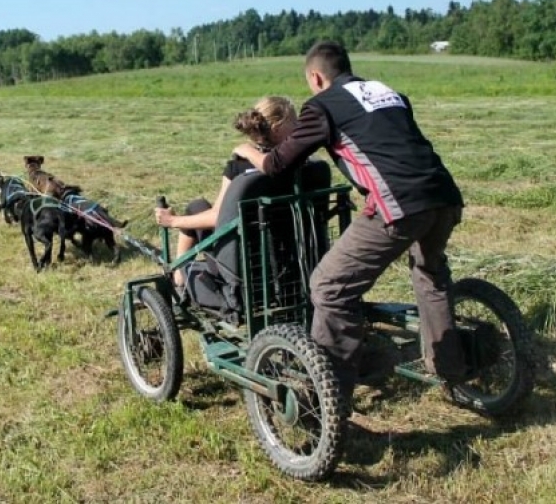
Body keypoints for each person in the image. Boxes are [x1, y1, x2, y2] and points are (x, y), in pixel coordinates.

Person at [233, 41, 467, 402]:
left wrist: (247, 151)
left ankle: (329, 397)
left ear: (315, 76)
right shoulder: (388, 93)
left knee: (328, 286)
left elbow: (279, 164)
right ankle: (453, 370)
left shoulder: (322, 105)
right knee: (431, 274)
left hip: (398, 205)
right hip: (444, 196)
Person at [154, 96, 298, 287]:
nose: (299, 126)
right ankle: (180, 275)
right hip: (294, 256)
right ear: (278, 129)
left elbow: (218, 218)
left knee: (196, 207)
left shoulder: (239, 168)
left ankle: (179, 277)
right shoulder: (298, 165)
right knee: (200, 208)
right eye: (295, 122)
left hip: (241, 266)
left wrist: (172, 221)